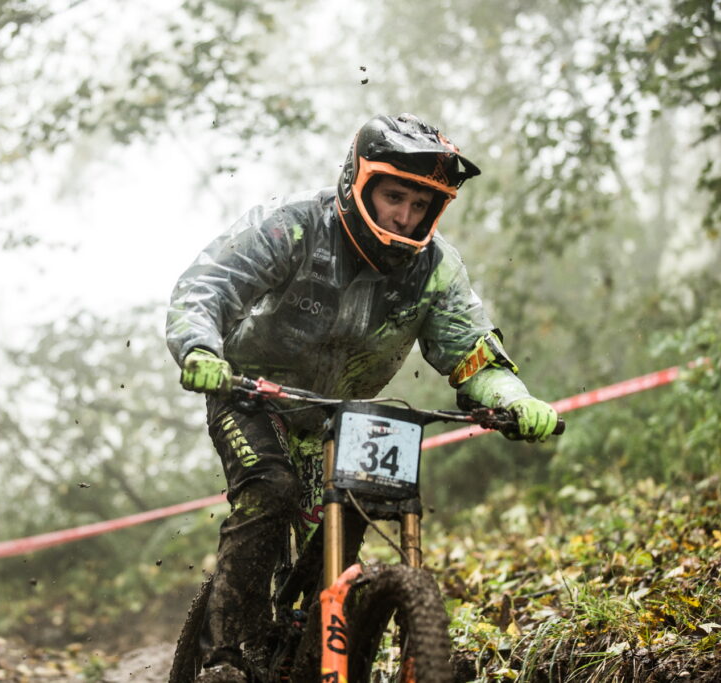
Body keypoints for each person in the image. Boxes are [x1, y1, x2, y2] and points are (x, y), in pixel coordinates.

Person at [166, 113, 559, 681]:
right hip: (251, 394)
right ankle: (221, 660)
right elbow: (208, 285)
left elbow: (470, 349)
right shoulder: (296, 225)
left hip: (340, 417)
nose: (405, 216)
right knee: (271, 489)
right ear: (358, 183)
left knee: (355, 511)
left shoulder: (435, 268)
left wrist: (513, 398)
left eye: (419, 204)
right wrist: (200, 349)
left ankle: (314, 647)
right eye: (394, 196)